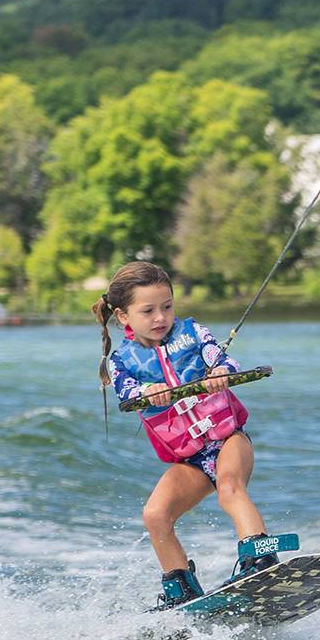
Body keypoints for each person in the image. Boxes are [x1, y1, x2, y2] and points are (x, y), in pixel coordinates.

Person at [93, 260, 277, 609]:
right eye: (148, 311)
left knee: (229, 487)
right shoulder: (122, 363)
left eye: (167, 307)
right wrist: (150, 391)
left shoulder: (192, 333)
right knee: (155, 514)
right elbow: (128, 394)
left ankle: (261, 559)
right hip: (190, 460)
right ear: (123, 316)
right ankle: (182, 589)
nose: (161, 317)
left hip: (228, 440)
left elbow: (221, 357)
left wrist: (221, 370)